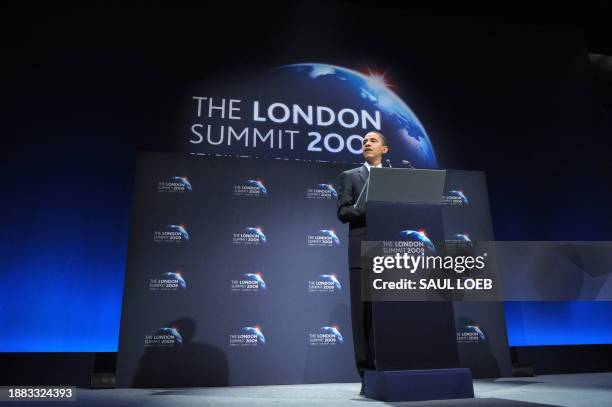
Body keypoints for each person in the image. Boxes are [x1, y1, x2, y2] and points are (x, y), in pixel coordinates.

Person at [336, 131, 389, 395]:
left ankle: (392, 367)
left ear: (385, 149)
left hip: (393, 252)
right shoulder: (351, 176)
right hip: (362, 250)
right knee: (363, 316)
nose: (367, 143)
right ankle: (367, 375)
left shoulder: (397, 178)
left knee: (391, 313)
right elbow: (343, 212)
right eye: (364, 141)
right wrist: (370, 205)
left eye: (373, 140)